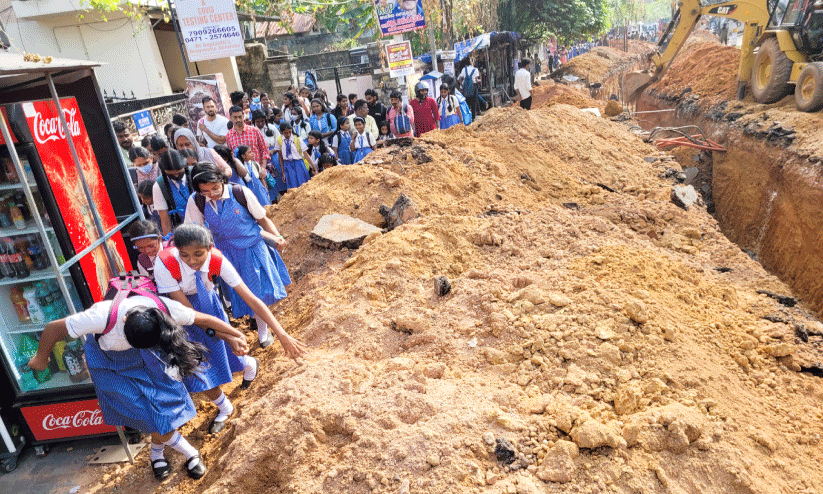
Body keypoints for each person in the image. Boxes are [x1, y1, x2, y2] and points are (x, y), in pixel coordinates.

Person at [27, 294, 249, 480]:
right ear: (124, 320)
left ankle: (157, 452)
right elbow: (53, 328)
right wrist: (41, 357)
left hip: (146, 358)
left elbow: (205, 320)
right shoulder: (98, 317)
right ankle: (191, 453)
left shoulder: (165, 309)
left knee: (165, 407)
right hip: (108, 366)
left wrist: (234, 335)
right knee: (147, 414)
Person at [154, 225, 283, 434]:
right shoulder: (165, 263)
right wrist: (226, 334)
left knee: (223, 354)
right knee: (195, 367)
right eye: (184, 255)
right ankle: (225, 407)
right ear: (177, 250)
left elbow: (251, 298)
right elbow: (190, 315)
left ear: (209, 247)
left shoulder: (217, 260)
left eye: (198, 254)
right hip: (182, 312)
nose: (192, 260)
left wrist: (282, 335)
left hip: (209, 303)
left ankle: (249, 365)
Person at [184, 162, 292, 347]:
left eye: (215, 188)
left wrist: (278, 237)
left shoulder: (240, 193)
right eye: (206, 191)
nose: (212, 194)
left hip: (251, 249)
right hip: (224, 253)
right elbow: (195, 230)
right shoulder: (197, 201)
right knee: (236, 294)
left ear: (222, 180)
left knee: (256, 291)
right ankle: (252, 321)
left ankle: (263, 332)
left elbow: (263, 219)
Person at [153, 150, 192, 236]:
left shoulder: (196, 173)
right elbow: (165, 221)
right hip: (183, 232)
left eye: (179, 172)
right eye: (171, 174)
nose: (176, 176)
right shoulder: (159, 186)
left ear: (185, 165)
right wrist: (169, 241)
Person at [278, 123, 310, 188]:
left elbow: (305, 154)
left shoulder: (297, 139)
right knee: (292, 186)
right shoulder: (279, 140)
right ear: (281, 132)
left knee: (303, 184)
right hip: (288, 165)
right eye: (285, 133)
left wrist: (313, 166)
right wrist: (283, 172)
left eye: (290, 132)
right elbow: (280, 157)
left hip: (298, 163)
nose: (288, 134)